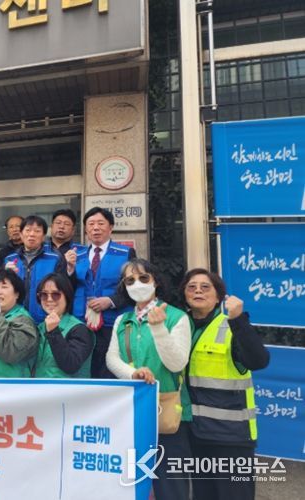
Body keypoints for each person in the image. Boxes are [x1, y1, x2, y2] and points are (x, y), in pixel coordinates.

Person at [106, 258, 191, 500]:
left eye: (144, 278)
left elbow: (177, 363)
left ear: (156, 281)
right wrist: (133, 373)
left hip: (168, 412)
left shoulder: (176, 317)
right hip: (133, 411)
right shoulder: (123, 320)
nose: (137, 284)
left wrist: (159, 328)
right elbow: (111, 358)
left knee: (170, 486)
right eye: (130, 280)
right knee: (134, 481)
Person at [180, 269, 269, 500]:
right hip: (195, 436)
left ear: (218, 296)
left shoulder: (230, 326)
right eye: (191, 287)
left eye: (205, 287)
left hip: (231, 438)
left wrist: (238, 320)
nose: (198, 291)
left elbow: (258, 361)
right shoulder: (179, 327)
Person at [71, 207, 135, 379]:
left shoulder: (125, 253)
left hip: (112, 322)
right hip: (82, 321)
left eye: (101, 223)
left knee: (109, 369)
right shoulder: (77, 255)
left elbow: (133, 287)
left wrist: (111, 301)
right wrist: (68, 269)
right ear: (85, 229)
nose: (95, 228)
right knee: (84, 369)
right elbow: (69, 286)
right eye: (91, 224)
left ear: (110, 227)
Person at [3, 215, 68, 323]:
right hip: (15, 319)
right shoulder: (10, 260)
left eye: (37, 231)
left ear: (43, 236)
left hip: (46, 319)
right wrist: (6, 274)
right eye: (28, 230)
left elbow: (63, 290)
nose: (32, 234)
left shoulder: (55, 259)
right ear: (21, 234)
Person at [34, 273, 95, 378]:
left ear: (67, 296)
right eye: (44, 295)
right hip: (38, 388)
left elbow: (71, 365)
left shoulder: (79, 329)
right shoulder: (39, 328)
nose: (49, 299)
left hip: (68, 388)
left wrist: (53, 332)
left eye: (56, 294)